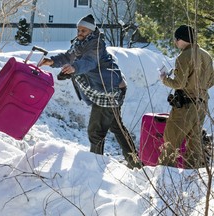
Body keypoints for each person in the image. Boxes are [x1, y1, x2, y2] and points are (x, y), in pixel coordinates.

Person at [39, 14, 141, 169]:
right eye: (79, 29)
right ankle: (135, 162)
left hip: (108, 91)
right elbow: (68, 56)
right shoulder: (80, 43)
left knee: (95, 132)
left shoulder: (95, 44)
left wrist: (75, 68)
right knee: (116, 127)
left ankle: (95, 167)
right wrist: (52, 61)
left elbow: (89, 62)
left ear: (91, 31)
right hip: (109, 88)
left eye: (84, 30)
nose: (80, 33)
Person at [159, 25, 214, 169]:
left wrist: (164, 79)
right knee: (194, 142)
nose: (175, 43)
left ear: (182, 39)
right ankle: (192, 173)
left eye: (176, 39)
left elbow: (178, 83)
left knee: (171, 140)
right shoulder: (206, 55)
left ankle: (165, 173)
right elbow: (211, 81)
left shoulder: (184, 56)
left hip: (186, 105)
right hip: (202, 104)